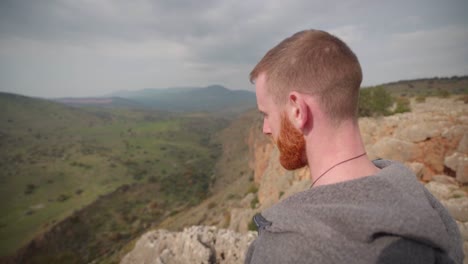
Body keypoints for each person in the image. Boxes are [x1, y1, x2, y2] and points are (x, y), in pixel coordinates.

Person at [244, 29, 463, 264]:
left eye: (266, 114)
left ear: (297, 110)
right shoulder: (433, 213)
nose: (266, 128)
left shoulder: (286, 248)